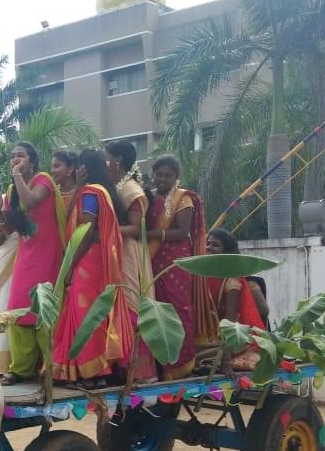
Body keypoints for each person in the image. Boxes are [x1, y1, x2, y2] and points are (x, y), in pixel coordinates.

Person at [50, 149, 130, 386]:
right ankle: (79, 370)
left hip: (88, 260)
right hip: (94, 261)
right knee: (83, 312)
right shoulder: (91, 192)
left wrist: (70, 264)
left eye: (76, 167)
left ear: (82, 169)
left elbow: (88, 232)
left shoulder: (90, 194)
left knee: (86, 314)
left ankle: (93, 372)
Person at [0, 142, 66, 385]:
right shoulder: (12, 189)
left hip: (48, 254)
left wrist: (17, 175)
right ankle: (21, 369)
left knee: (44, 307)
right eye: (13, 156)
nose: (15, 159)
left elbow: (30, 202)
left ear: (33, 161)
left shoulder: (43, 180)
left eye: (21, 156)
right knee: (18, 307)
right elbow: (7, 228)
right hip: (26, 255)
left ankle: (51, 367)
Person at [145, 154, 218, 380]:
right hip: (150, 260)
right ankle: (157, 363)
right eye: (159, 174)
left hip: (174, 262)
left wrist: (151, 234)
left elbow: (182, 232)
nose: (162, 179)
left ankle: (181, 363)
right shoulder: (148, 197)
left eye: (168, 175)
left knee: (177, 308)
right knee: (153, 310)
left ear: (176, 177)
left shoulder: (182, 198)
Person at [105, 140, 157, 382]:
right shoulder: (116, 186)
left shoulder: (131, 190)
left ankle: (139, 371)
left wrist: (106, 229)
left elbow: (136, 229)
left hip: (128, 253)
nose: (105, 162)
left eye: (107, 158)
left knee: (131, 305)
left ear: (117, 161)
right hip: (116, 250)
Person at [205, 229, 268, 371]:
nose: (209, 247)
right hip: (209, 336)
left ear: (227, 252)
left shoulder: (232, 280)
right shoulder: (204, 275)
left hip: (230, 340)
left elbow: (231, 319)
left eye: (215, 245)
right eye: (208, 243)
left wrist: (226, 361)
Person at [0, 184, 21, 375]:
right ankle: (2, 365)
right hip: (7, 257)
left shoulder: (35, 199)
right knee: (5, 304)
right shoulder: (1, 200)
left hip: (29, 257)